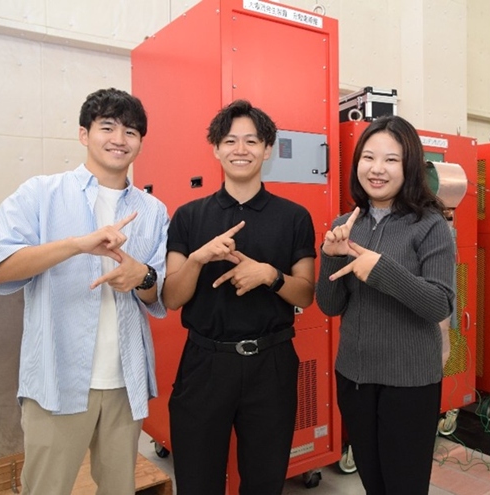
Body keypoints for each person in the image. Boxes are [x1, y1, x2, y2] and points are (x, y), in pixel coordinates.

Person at [0, 88, 169, 494]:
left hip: (124, 382)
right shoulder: (41, 193)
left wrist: (141, 276)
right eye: (108, 127)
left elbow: (157, 296)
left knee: (119, 488)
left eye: (131, 131)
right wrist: (75, 245)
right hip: (56, 379)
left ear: (141, 142)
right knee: (45, 488)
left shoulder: (153, 210)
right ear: (84, 134)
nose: (119, 139)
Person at [163, 99, 316, 494]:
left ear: (268, 149)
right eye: (230, 141)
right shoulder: (188, 216)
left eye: (252, 140)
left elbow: (306, 294)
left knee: (265, 482)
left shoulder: (294, 217)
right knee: (197, 481)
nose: (240, 149)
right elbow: (172, 298)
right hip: (205, 363)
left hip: (272, 363)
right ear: (216, 149)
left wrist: (270, 275)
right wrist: (197, 259)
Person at [316, 115, 455, 495]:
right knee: (373, 482)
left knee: (404, 486)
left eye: (391, 160)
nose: (377, 169)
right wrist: (330, 255)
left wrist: (381, 270)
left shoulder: (430, 225)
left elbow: (439, 303)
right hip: (355, 379)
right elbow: (329, 306)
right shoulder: (347, 223)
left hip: (409, 384)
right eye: (369, 157)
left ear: (409, 166)